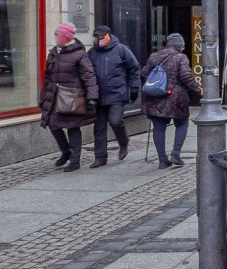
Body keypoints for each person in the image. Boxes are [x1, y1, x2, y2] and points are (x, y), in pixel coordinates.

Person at [39, 23, 99, 172]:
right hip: (54, 96)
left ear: (66, 38)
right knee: (53, 124)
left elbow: (89, 76)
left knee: (73, 127)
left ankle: (75, 160)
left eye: (58, 35)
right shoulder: (53, 53)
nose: (56, 38)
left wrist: (92, 96)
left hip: (72, 97)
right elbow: (47, 76)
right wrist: (43, 95)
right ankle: (65, 151)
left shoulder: (80, 54)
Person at [141, 32, 202, 168]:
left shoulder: (154, 56)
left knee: (158, 127)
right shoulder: (181, 57)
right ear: (179, 46)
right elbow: (186, 76)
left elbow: (144, 73)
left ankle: (162, 160)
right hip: (176, 98)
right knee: (182, 123)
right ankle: (176, 153)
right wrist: (197, 89)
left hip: (155, 96)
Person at [88, 25, 142, 168]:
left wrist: (134, 88)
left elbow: (134, 69)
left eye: (102, 37)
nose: (100, 39)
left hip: (117, 94)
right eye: (97, 37)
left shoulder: (121, 50)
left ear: (109, 36)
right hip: (98, 96)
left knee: (115, 120)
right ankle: (100, 157)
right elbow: (86, 73)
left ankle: (123, 142)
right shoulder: (92, 53)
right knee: (99, 127)